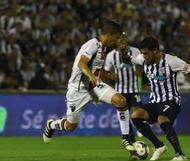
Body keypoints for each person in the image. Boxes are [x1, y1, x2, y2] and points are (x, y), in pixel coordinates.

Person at [42, 20, 136, 153]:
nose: (116, 40)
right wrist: (92, 76)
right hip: (78, 89)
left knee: (120, 100)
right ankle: (52, 125)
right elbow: (82, 63)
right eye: (116, 37)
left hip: (94, 87)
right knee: (70, 126)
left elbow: (95, 66)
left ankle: (126, 138)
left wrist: (104, 74)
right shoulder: (91, 45)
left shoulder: (103, 47)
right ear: (109, 34)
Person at [131, 37, 190, 161]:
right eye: (142, 53)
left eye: (146, 53)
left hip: (171, 100)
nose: (144, 56)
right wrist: (123, 51)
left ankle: (180, 155)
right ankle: (159, 145)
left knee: (162, 119)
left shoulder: (172, 61)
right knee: (136, 115)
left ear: (155, 50)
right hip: (155, 101)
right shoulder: (143, 59)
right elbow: (129, 59)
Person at [103, 33, 142, 146]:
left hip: (133, 89)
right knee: (125, 116)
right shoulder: (111, 55)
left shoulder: (135, 51)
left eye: (124, 38)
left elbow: (143, 64)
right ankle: (131, 139)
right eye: (120, 39)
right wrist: (111, 76)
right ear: (116, 41)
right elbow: (106, 71)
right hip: (120, 91)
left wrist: (140, 71)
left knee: (136, 114)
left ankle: (139, 130)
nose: (122, 41)